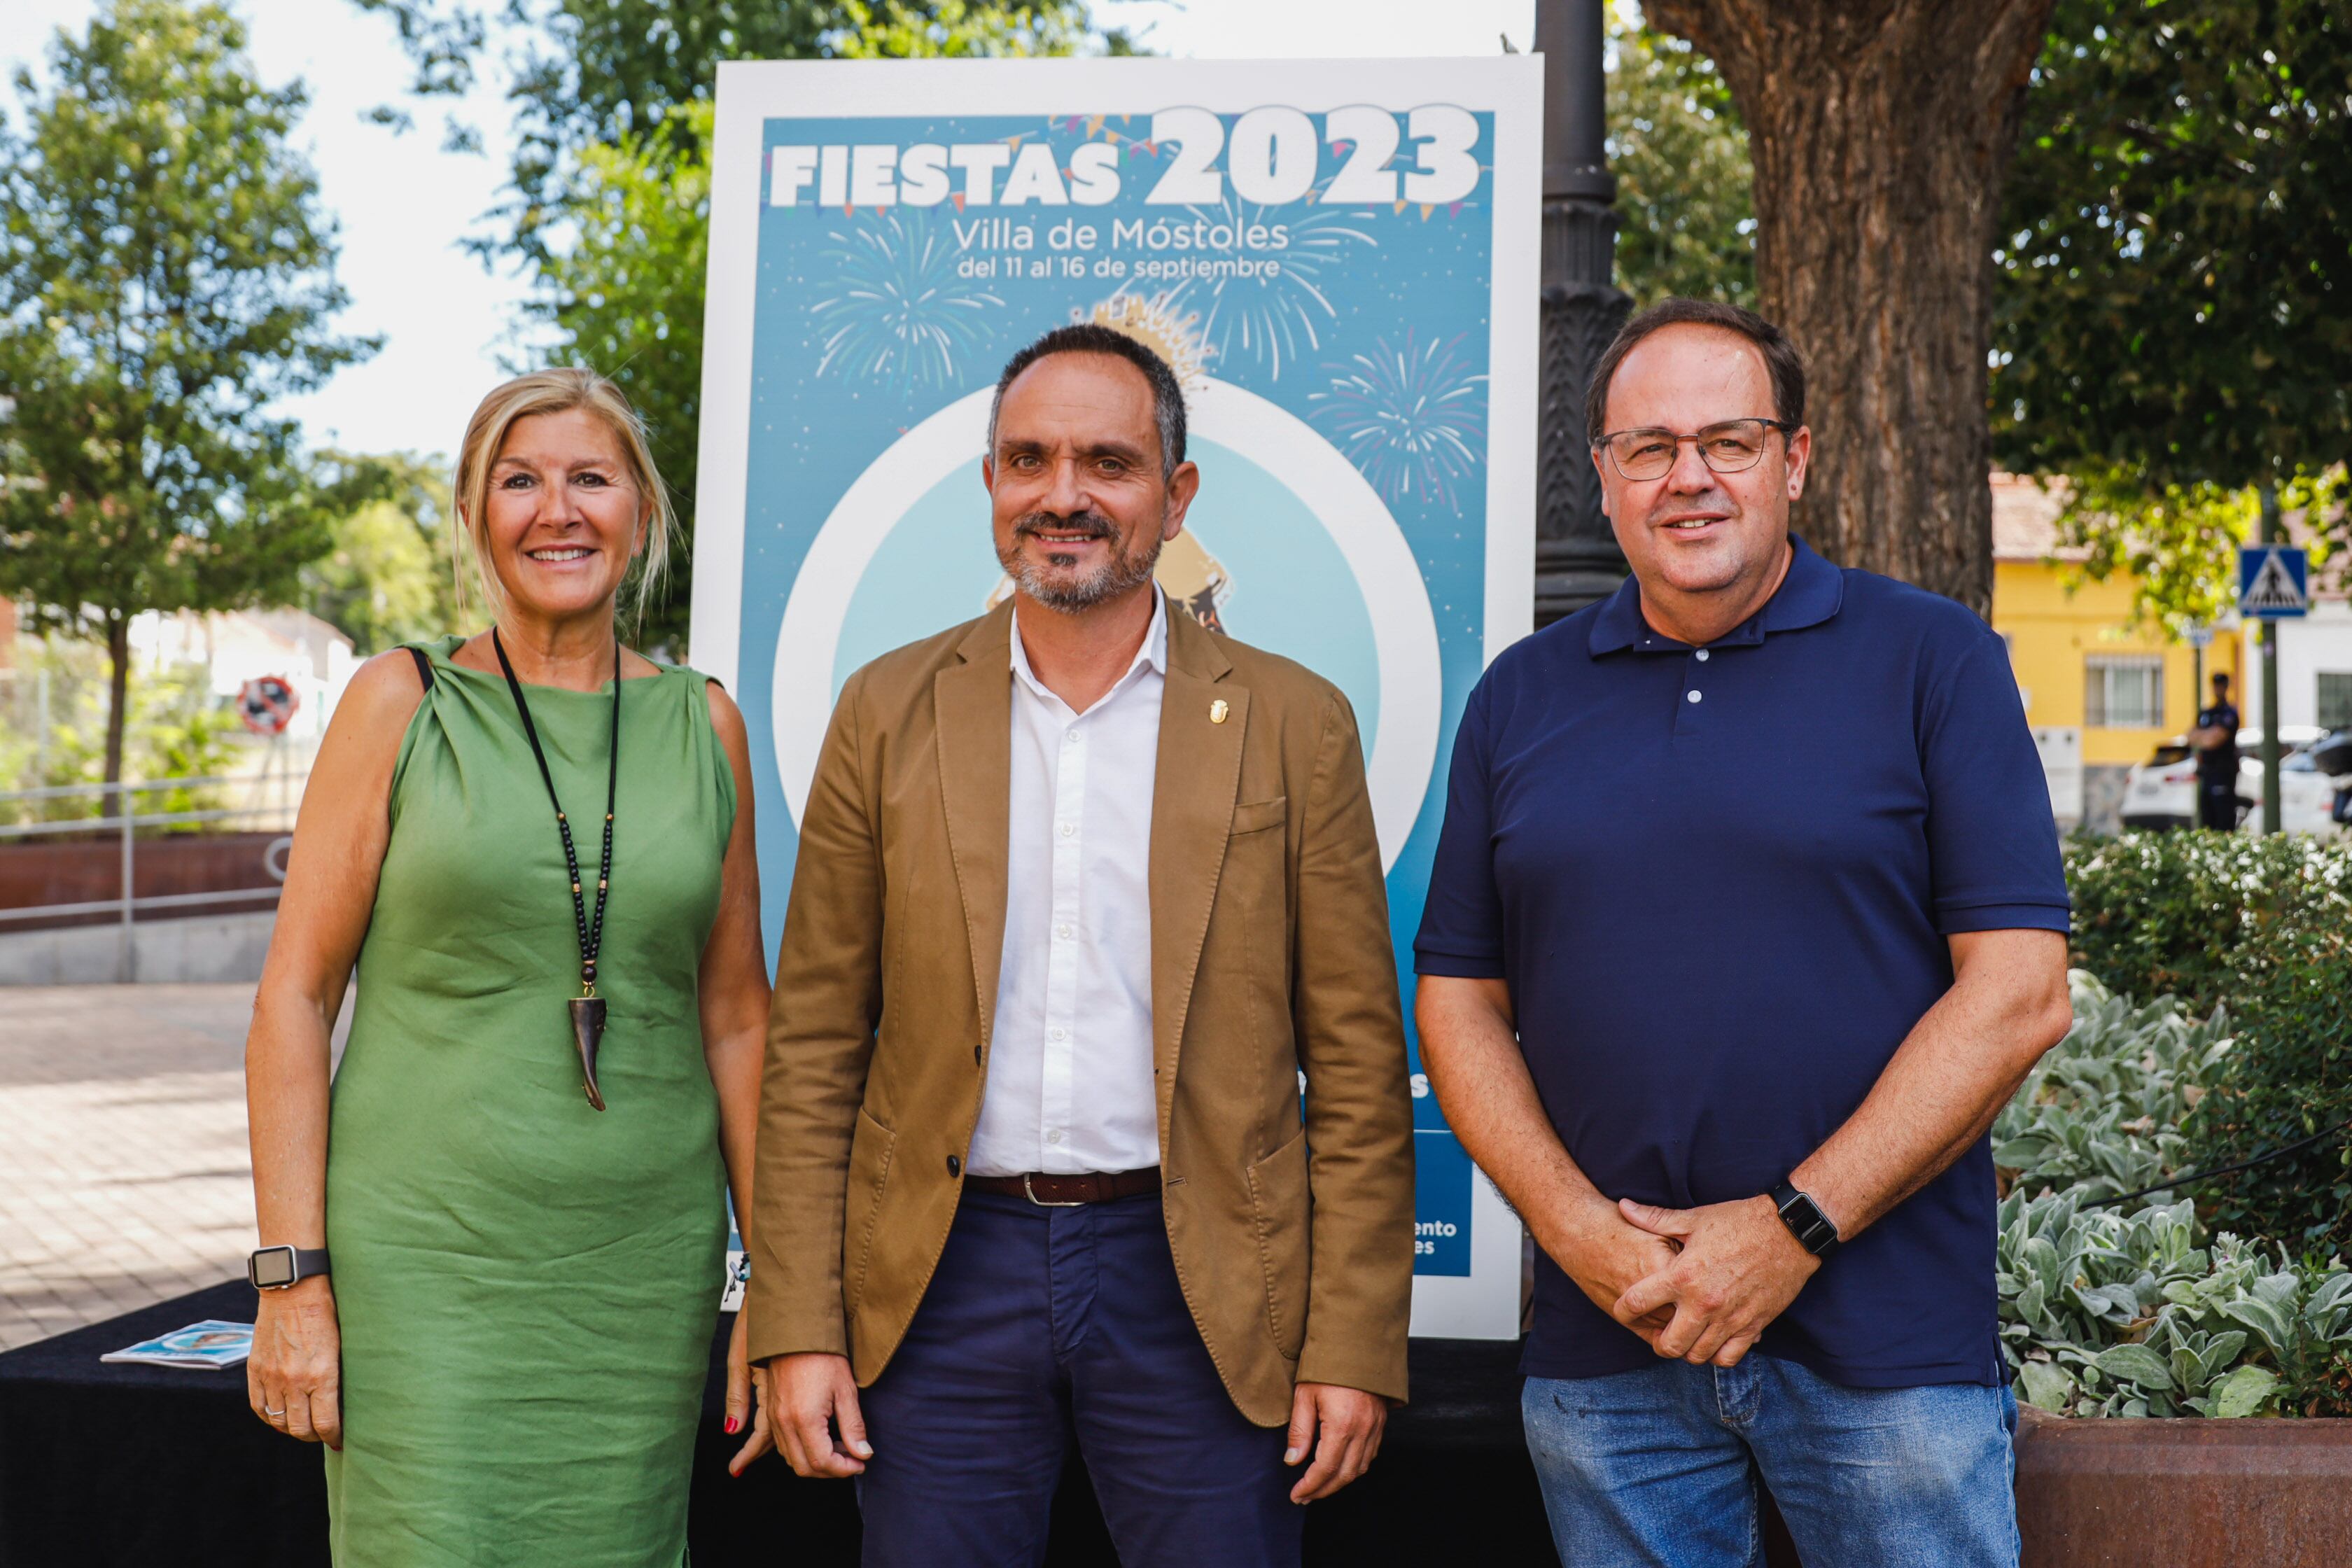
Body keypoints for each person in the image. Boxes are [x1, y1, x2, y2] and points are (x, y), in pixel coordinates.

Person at [1413, 300, 2076, 1567]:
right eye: (1649, 448)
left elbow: (2020, 994)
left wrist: (1789, 1231)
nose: (1690, 478)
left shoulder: (1933, 660)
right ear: (1603, 478)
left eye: (1729, 438)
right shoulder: (1521, 697)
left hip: (1888, 1358)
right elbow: (1458, 1002)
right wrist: (1579, 1237)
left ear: (1796, 461)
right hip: (1611, 1346)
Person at [743, 324, 1415, 1567]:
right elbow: (817, 1048)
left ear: (1176, 496)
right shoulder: (886, 711)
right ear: (991, 486)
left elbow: (1363, 1073)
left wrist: (1354, 1341)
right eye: (1029, 460)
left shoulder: (1295, 721)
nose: (1064, 496)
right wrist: (796, 1320)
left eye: (1108, 462)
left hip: (1203, 1278)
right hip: (942, 1282)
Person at [242, 369, 776, 1566]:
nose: (558, 510)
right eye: (520, 481)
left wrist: (778, 1275)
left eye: (592, 477)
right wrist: (291, 1279)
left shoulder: (708, 725)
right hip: (426, 1267)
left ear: (640, 509)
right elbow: (293, 999)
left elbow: (739, 1018)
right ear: (478, 515)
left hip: (639, 1275)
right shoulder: (401, 702)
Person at [2191, 671, 2242, 830]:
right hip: (2207, 771)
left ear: (2227, 687)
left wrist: (2205, 736)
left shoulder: (2230, 713)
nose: (2218, 689)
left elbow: (2213, 740)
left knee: (2224, 819)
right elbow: (2190, 736)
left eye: (2221, 686)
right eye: (2215, 686)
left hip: (2223, 772)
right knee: (2207, 820)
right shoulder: (2207, 713)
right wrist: (2208, 735)